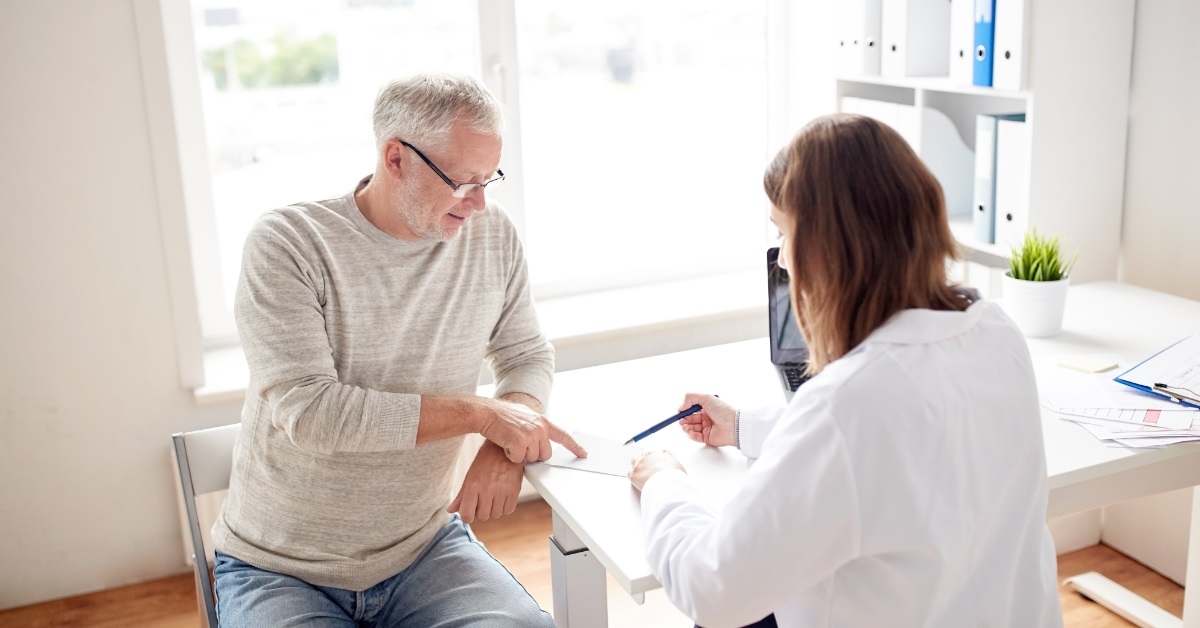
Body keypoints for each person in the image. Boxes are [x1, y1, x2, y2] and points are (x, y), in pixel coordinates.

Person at [627, 113, 1063, 628]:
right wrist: (743, 425)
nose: (783, 261)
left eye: (784, 235)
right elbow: (900, 446)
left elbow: (713, 588)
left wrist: (663, 482)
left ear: (829, 250)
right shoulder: (995, 331)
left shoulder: (846, 404)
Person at [211, 73, 584, 627]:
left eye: (490, 179)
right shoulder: (289, 244)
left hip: (423, 549)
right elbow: (313, 414)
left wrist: (506, 442)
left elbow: (526, 353)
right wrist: (485, 416)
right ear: (396, 159)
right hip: (279, 569)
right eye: (463, 181)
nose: (479, 203)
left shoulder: (491, 235)